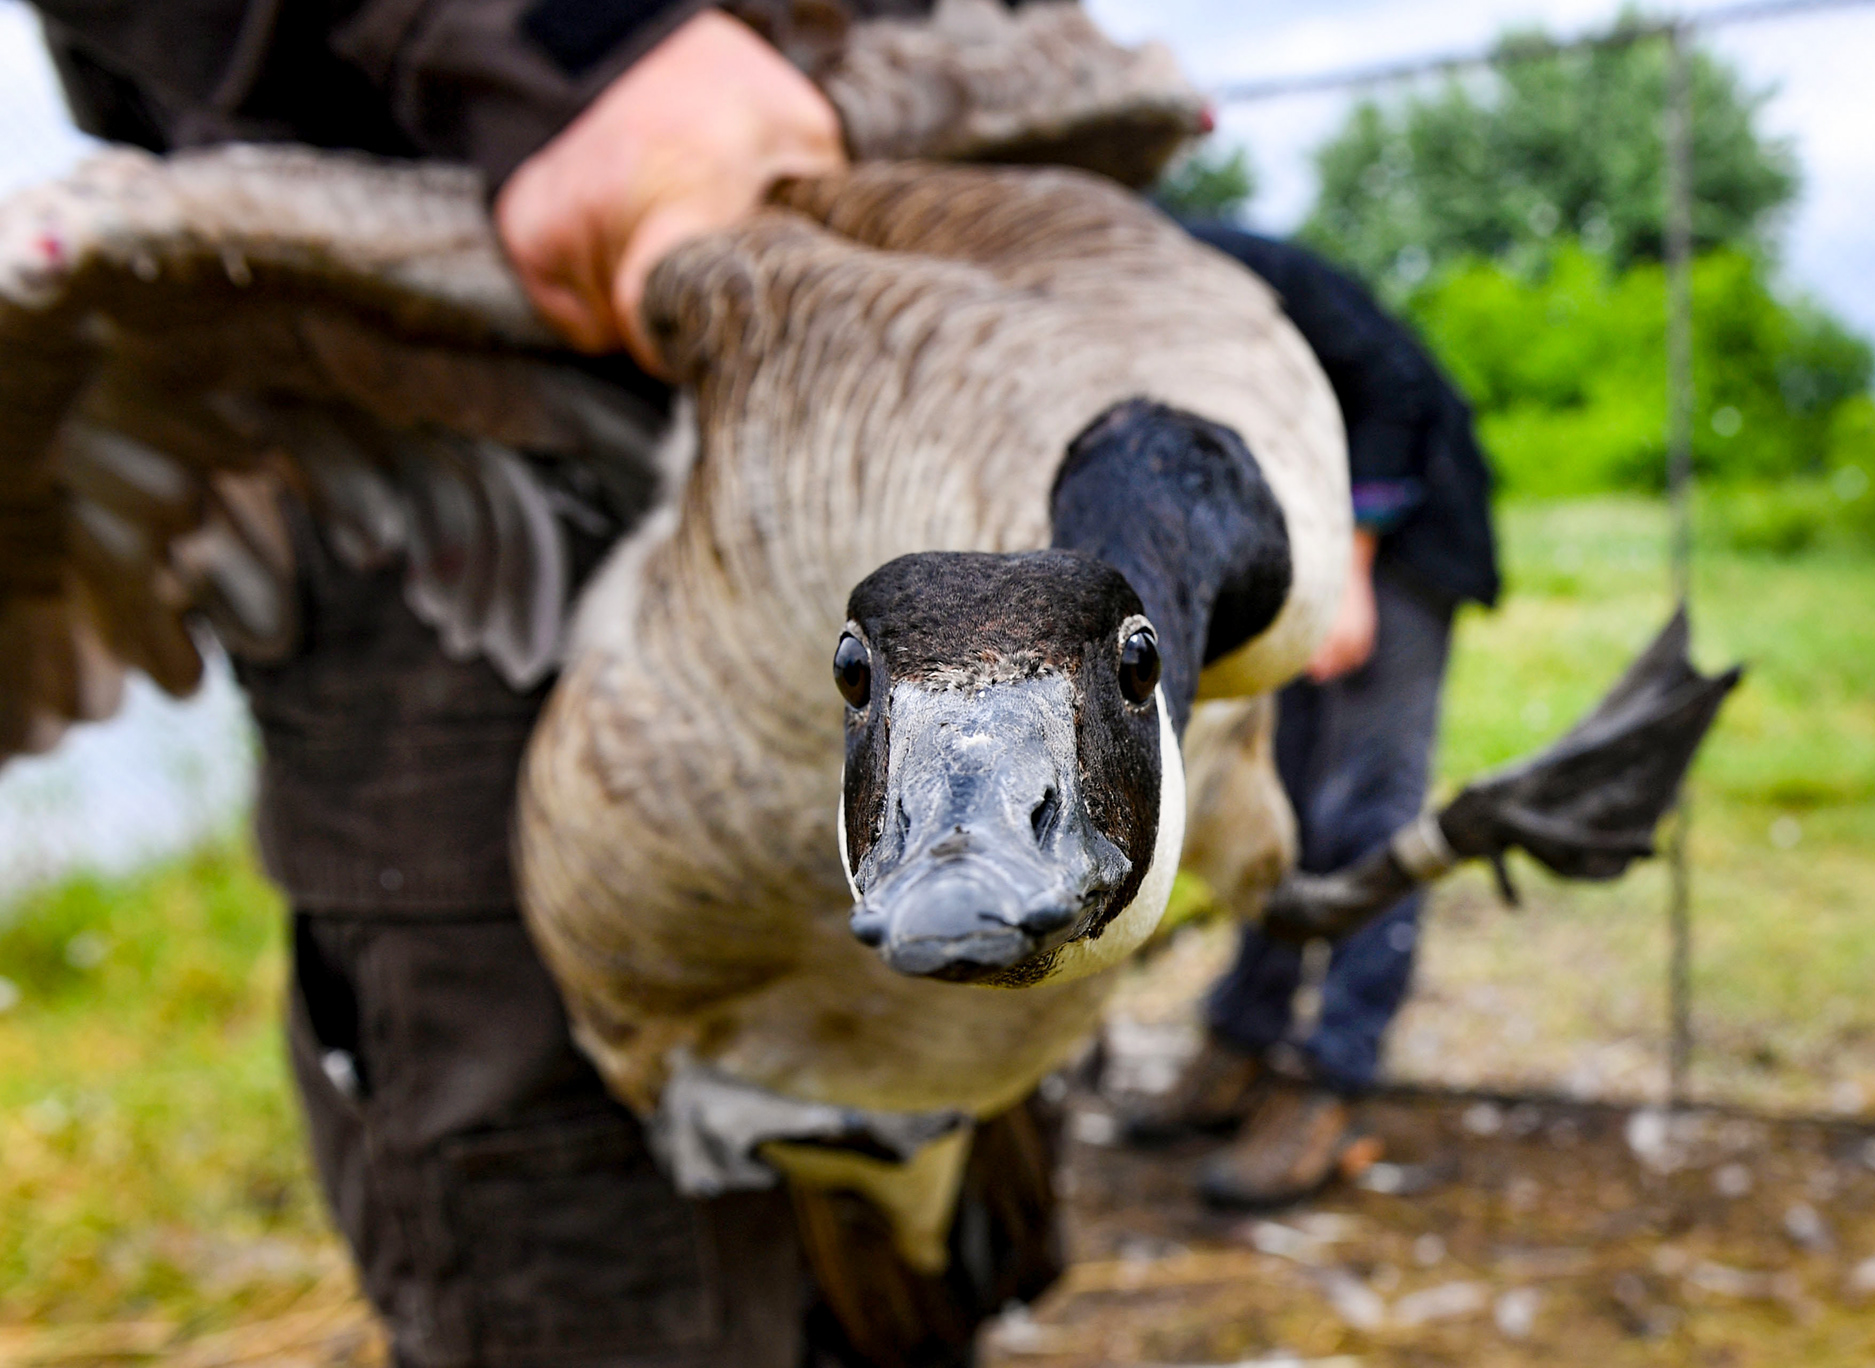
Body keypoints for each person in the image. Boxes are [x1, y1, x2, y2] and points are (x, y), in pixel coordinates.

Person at [26, 4, 928, 1366]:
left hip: (887, 341)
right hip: (435, 373)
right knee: (587, 1255)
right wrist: (576, 40)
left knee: (931, 1160)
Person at [1122, 226, 1501, 1209]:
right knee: (1281, 802)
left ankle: (1335, 1084)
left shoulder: (1206, 265)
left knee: (1365, 808)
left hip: (1401, 541)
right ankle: (1242, 1045)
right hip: (1303, 541)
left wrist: (1356, 579)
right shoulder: (1103, 299)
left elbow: (1397, 389)